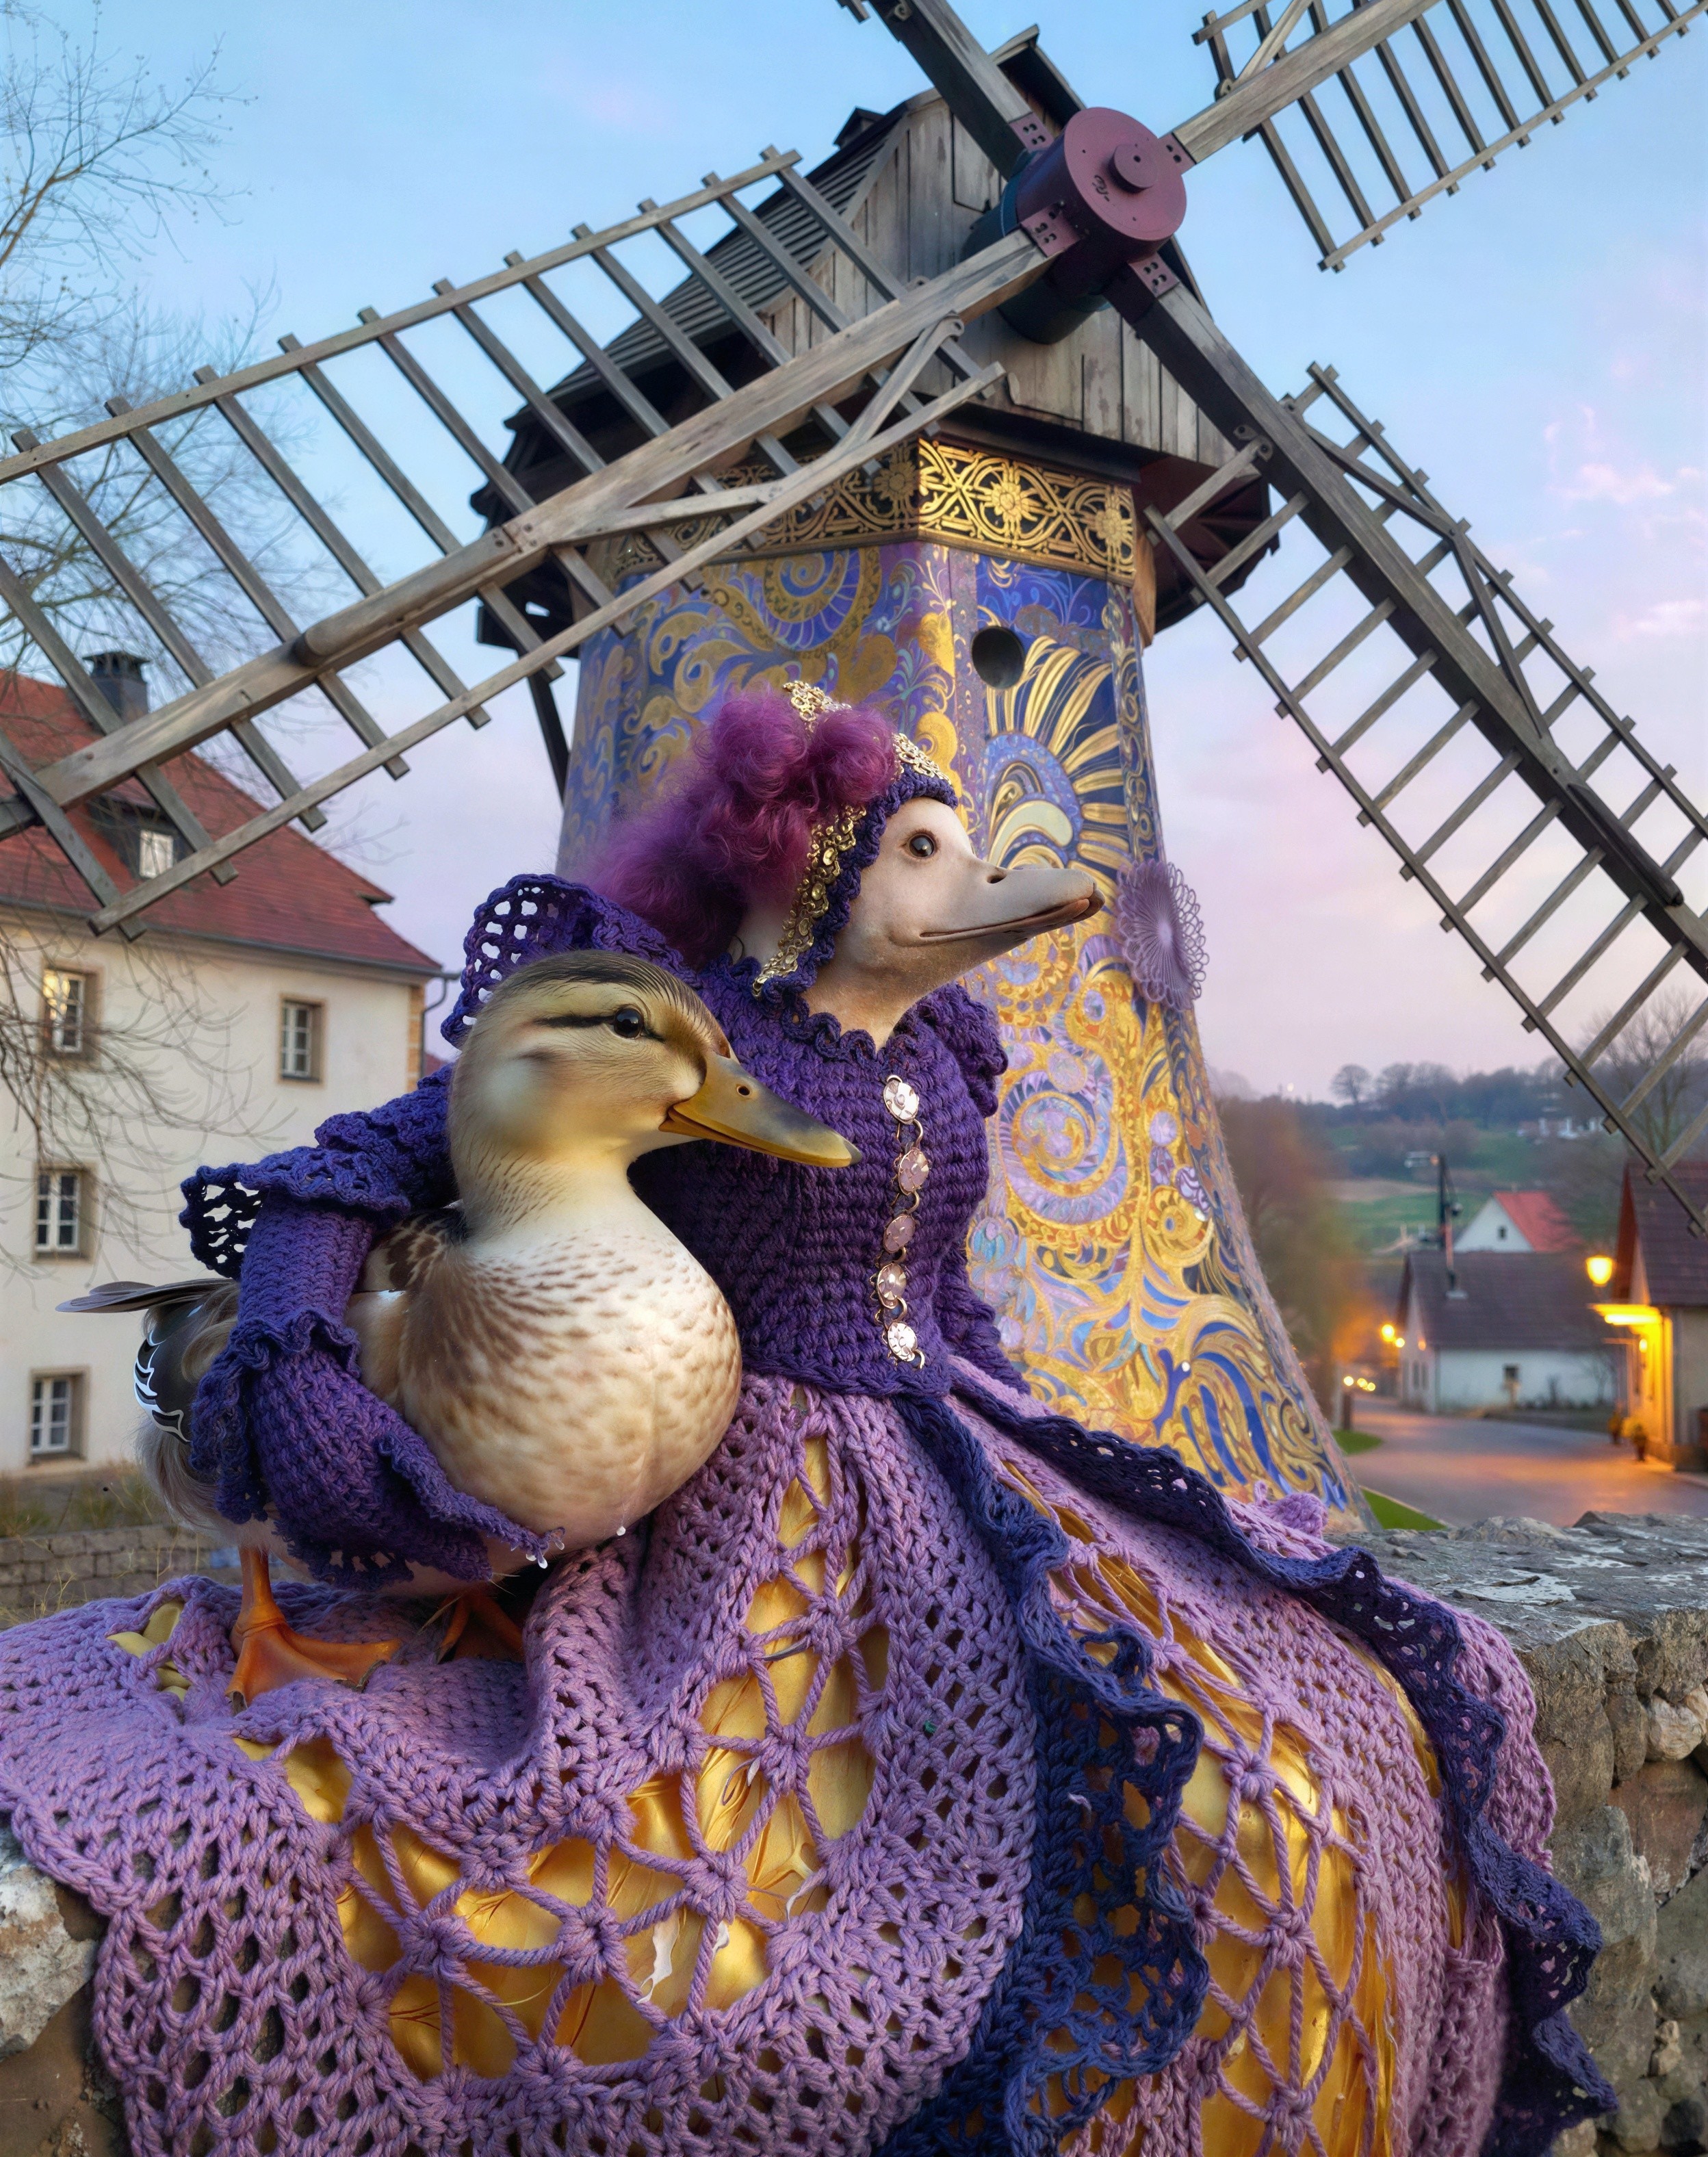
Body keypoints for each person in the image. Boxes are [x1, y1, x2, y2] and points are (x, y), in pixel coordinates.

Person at [0, 686, 1608, 2157]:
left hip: (944, 1433)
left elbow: (940, 1284)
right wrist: (293, 1352)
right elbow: (349, 1166)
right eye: (922, 850)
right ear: (813, 871)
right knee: (771, 1835)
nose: (970, 882)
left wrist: (1009, 1408)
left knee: (1291, 1690)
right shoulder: (689, 1036)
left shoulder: (943, 1053)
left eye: (959, 847)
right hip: (745, 1476)